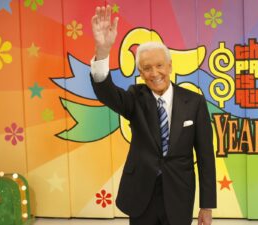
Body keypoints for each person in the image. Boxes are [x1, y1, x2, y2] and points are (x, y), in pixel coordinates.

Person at [90, 5, 216, 225]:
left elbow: (206, 157)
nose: (154, 73)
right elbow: (105, 91)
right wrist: (102, 52)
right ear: (140, 72)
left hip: (179, 193)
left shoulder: (194, 102)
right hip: (141, 193)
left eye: (159, 66)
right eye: (147, 68)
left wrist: (206, 206)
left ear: (169, 66)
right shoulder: (134, 98)